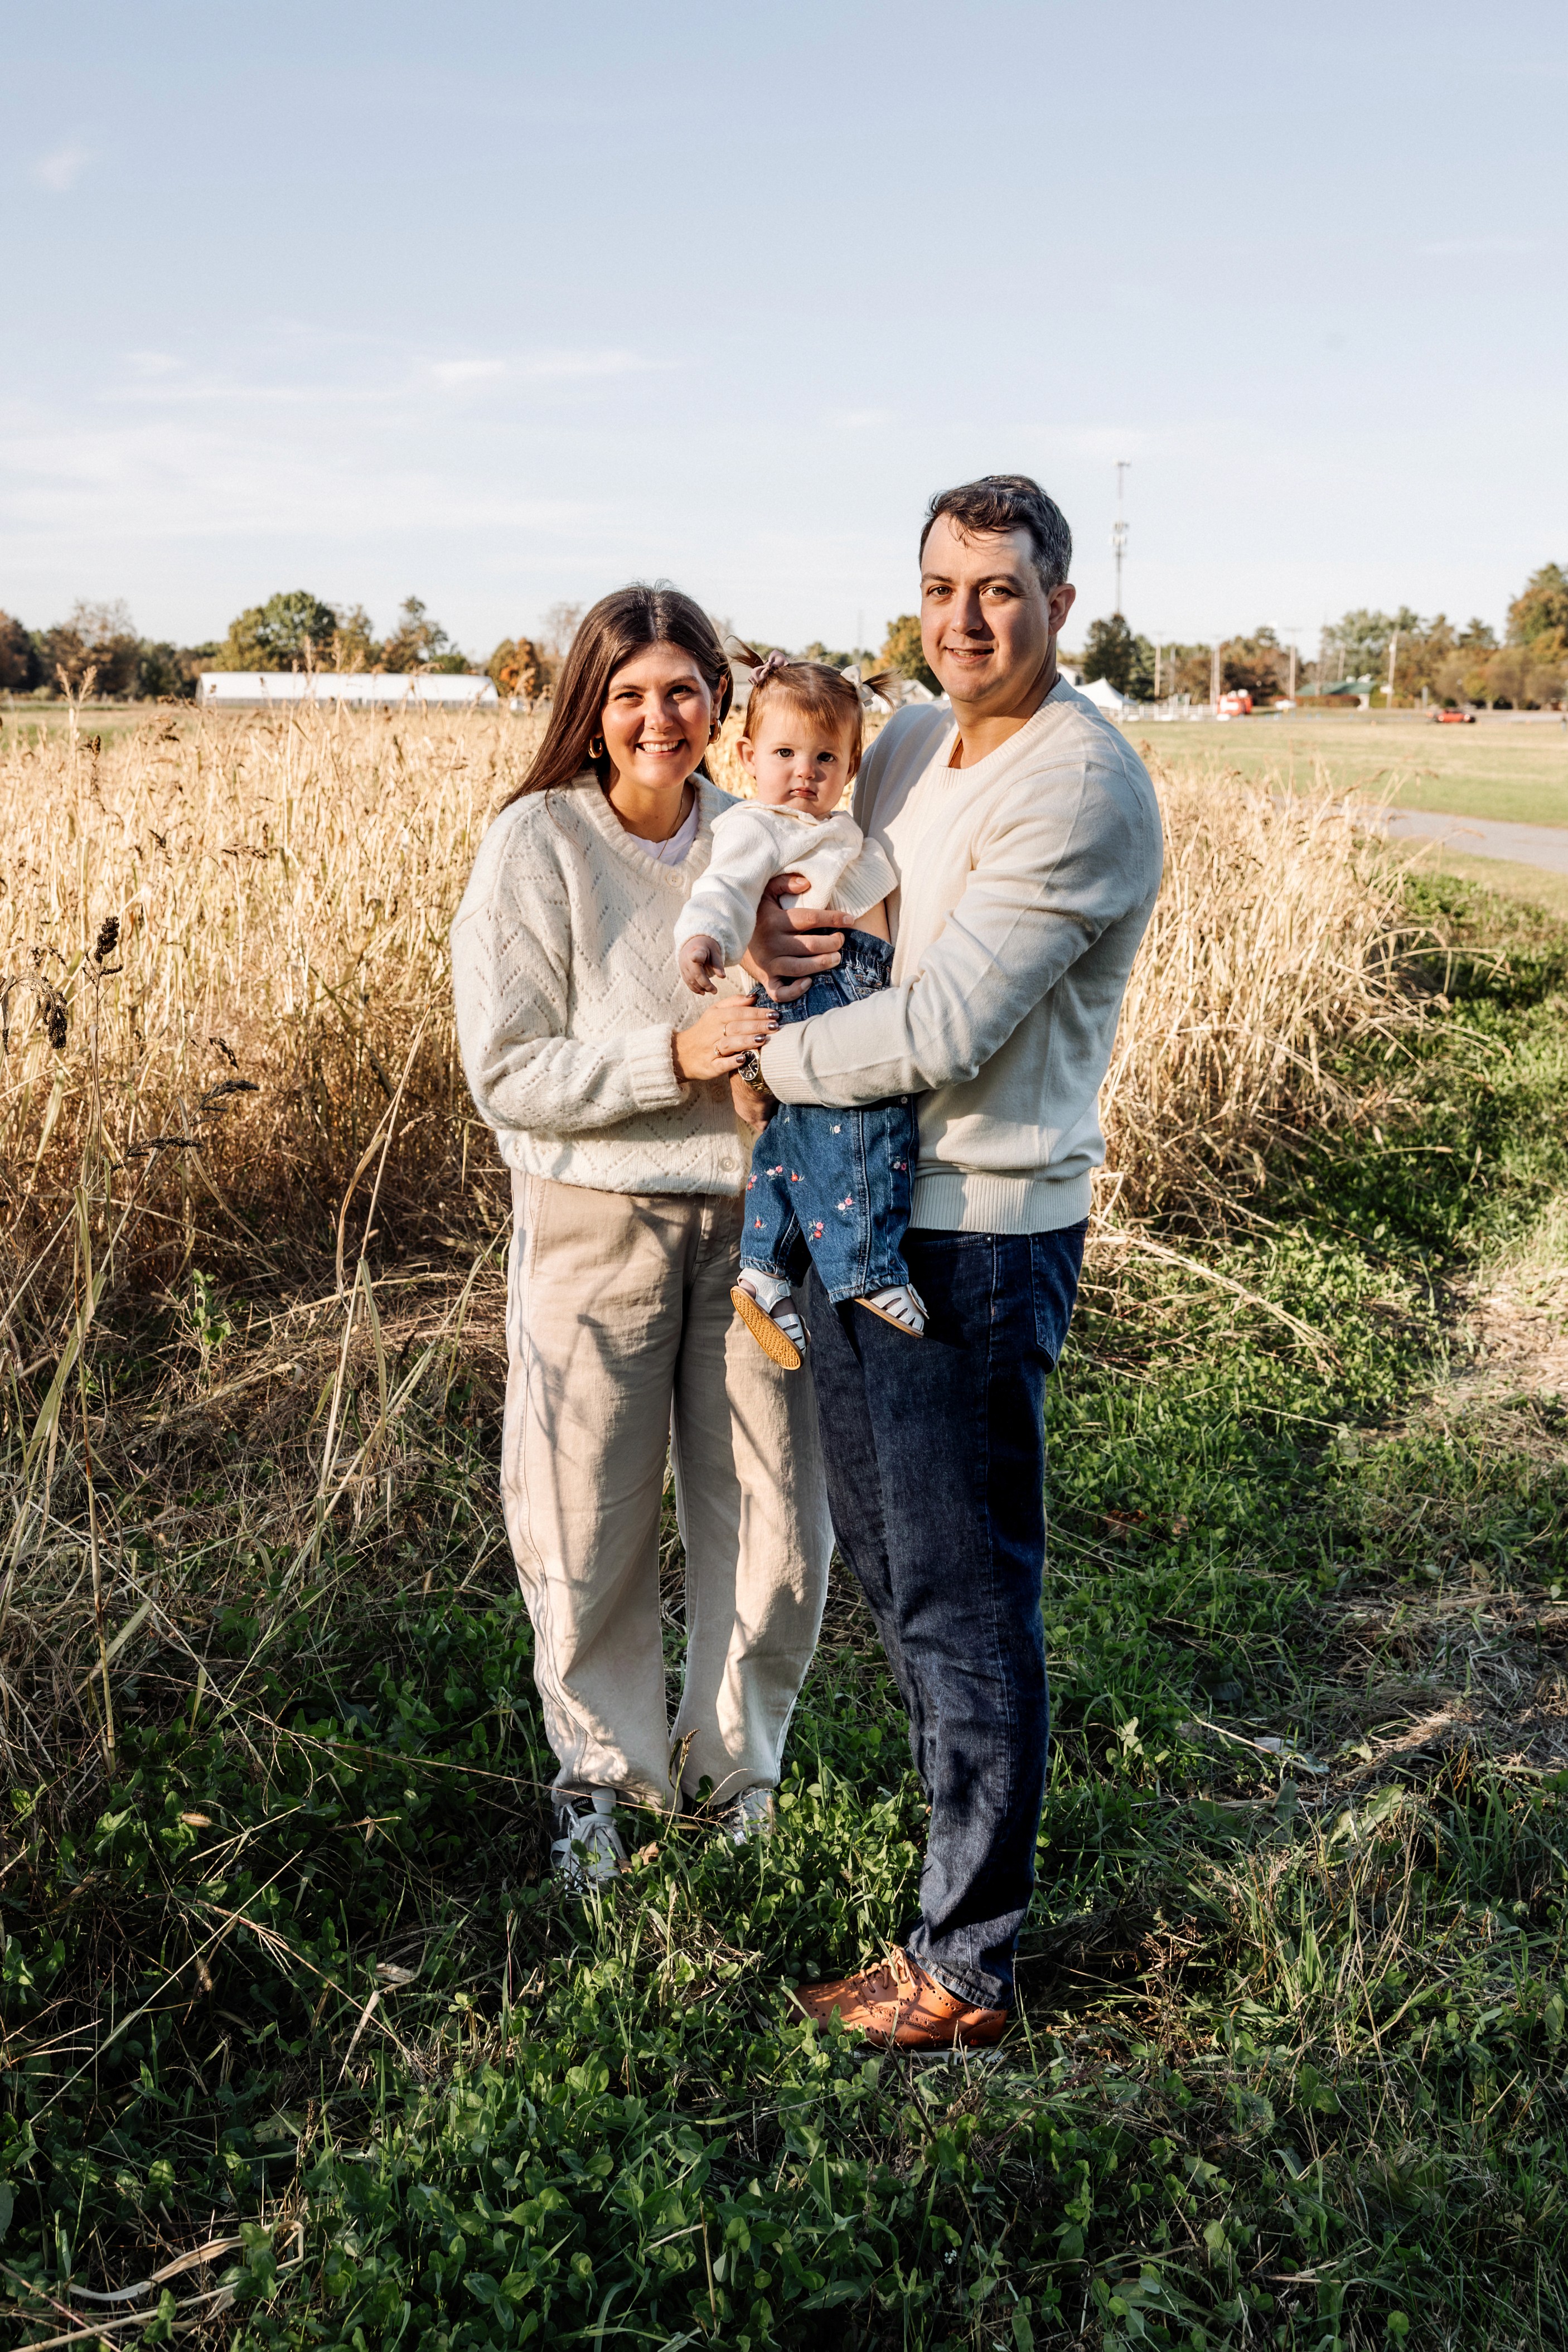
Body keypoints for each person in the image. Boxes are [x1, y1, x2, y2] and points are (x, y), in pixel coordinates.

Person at [746, 475, 1164, 2047]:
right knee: (904, 1573)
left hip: (973, 1233)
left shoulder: (1081, 789)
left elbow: (941, 1026)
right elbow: (829, 886)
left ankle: (966, 1962)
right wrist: (766, 958)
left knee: (965, 1596)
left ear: (1063, 604)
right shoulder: (914, 736)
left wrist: (758, 1068)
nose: (962, 619)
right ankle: (948, 1910)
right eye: (938, 587)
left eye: (996, 589)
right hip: (865, 1208)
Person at [450, 584, 834, 1889]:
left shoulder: (761, 835)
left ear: (718, 704)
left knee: (779, 1525)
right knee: (584, 1521)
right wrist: (672, 1057)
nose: (658, 717)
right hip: (592, 1223)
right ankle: (597, 1791)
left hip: (756, 1222)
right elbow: (505, 1070)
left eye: (682, 690)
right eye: (629, 694)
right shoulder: (537, 845)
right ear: (590, 710)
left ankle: (737, 1787)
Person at [673, 646, 923, 1364]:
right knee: (865, 1119)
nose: (804, 774)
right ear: (749, 755)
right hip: (824, 988)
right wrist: (706, 940)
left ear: (850, 767)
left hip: (848, 980)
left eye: (824, 759)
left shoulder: (830, 828)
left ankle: (764, 1268)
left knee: (790, 1142)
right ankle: (867, 1268)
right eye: (785, 753)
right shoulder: (760, 825)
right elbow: (723, 888)